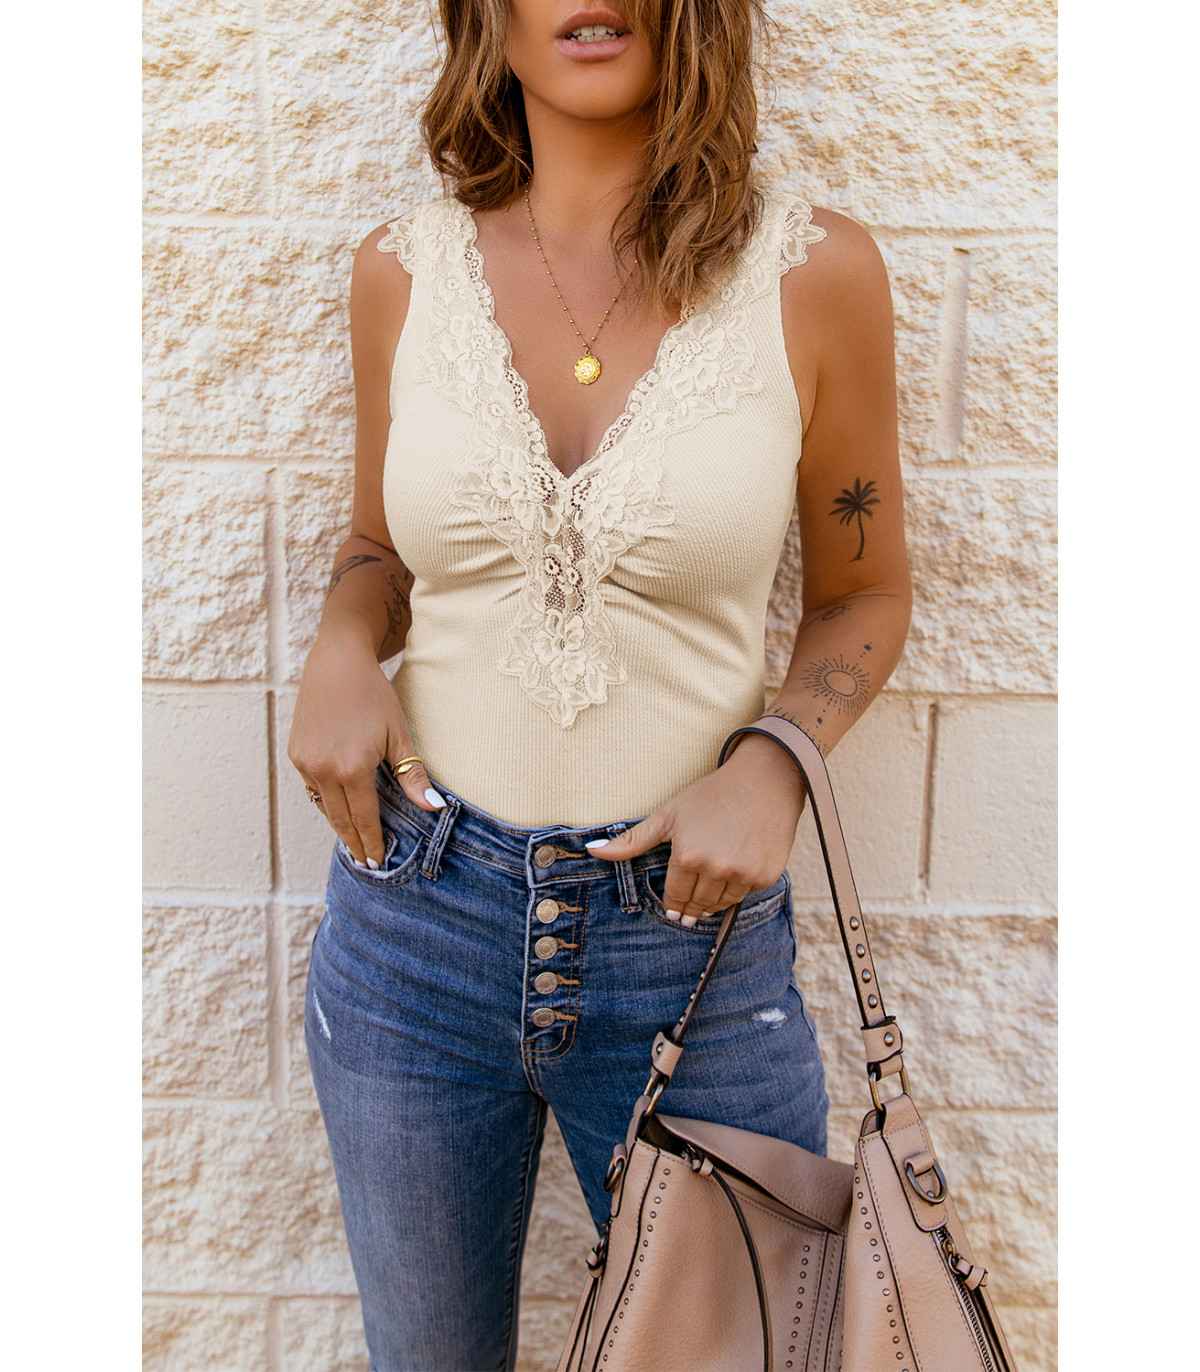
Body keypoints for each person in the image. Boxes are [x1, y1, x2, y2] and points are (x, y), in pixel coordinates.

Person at [288, 2, 911, 1368]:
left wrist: (774, 763)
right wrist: (340, 643)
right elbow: (379, 547)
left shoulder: (813, 275)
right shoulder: (402, 271)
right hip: (413, 925)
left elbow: (866, 592)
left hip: (692, 946)